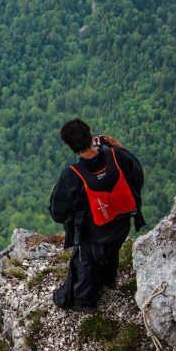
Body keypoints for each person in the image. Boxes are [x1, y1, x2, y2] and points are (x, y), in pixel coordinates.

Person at [49, 119, 145, 313]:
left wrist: (74, 217)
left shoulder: (72, 175)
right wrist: (121, 148)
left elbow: (57, 213)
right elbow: (138, 177)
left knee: (86, 262)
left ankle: (85, 302)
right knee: (111, 250)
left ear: (71, 146)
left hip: (94, 233)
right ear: (90, 136)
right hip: (121, 223)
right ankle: (108, 281)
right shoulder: (117, 156)